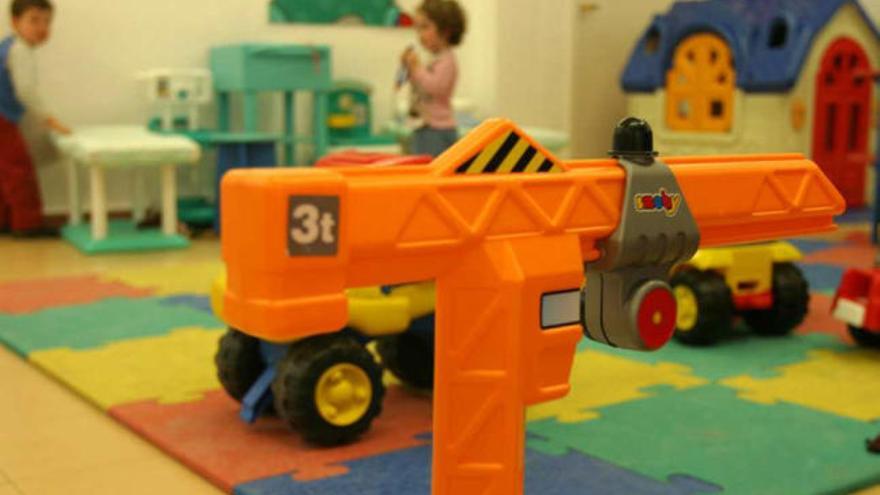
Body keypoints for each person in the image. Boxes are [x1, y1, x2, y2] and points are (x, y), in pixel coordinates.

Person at [0, 0, 70, 238]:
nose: (42, 28)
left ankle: (7, 220)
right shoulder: (20, 50)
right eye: (34, 20)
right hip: (1, 118)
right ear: (15, 22)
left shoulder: (9, 45)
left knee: (6, 171)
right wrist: (49, 119)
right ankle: (27, 224)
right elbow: (26, 90)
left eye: (47, 22)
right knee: (19, 169)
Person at [401, 0, 466, 158]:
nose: (419, 35)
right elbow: (421, 86)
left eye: (425, 27)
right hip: (424, 126)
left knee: (430, 175)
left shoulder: (447, 61)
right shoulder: (435, 59)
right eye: (417, 28)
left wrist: (416, 68)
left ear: (445, 31)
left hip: (437, 129)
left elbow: (435, 87)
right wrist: (409, 68)